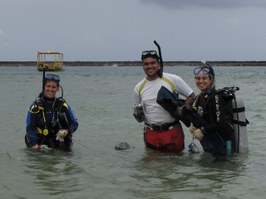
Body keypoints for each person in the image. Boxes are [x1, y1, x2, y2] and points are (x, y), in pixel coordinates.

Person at [133, 50, 195, 153]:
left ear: (159, 63)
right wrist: (138, 115)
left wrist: (182, 109)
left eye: (153, 63)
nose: (150, 66)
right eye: (146, 64)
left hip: (173, 131)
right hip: (150, 132)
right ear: (142, 65)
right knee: (152, 165)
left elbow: (191, 96)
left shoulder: (173, 79)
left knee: (174, 164)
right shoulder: (138, 87)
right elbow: (138, 112)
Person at [188, 64, 234, 156]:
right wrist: (192, 125)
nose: (200, 81)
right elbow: (199, 117)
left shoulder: (217, 97)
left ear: (211, 80)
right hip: (212, 142)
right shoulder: (199, 98)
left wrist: (202, 130)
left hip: (224, 143)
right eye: (198, 78)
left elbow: (220, 122)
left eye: (204, 78)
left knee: (222, 169)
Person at [25, 74, 78, 151]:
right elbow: (30, 127)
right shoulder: (35, 106)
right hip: (39, 143)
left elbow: (74, 123)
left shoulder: (63, 105)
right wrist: (34, 144)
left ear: (57, 89)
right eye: (48, 86)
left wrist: (67, 131)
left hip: (58, 142)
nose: (50, 89)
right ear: (44, 87)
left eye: (54, 87)